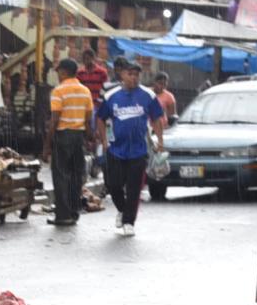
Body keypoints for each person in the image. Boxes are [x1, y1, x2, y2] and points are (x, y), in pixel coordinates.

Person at [94, 59, 166, 237]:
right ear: (122, 75)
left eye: (136, 75)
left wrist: (160, 141)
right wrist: (104, 141)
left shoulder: (147, 95)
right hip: (115, 149)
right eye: (130, 74)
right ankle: (122, 210)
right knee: (114, 184)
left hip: (138, 150)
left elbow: (157, 118)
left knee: (134, 188)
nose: (134, 78)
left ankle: (129, 221)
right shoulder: (112, 96)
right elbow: (100, 118)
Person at [45, 56, 94, 226]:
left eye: (59, 71)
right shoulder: (85, 91)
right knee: (75, 176)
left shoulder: (58, 91)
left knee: (60, 176)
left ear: (64, 72)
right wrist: (89, 139)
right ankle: (74, 212)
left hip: (63, 135)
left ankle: (63, 215)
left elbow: (54, 120)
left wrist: (46, 146)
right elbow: (88, 120)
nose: (58, 74)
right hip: (78, 137)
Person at [146, 72, 178, 201]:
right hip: (147, 130)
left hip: (161, 130)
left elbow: (172, 116)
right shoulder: (147, 94)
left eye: (165, 84)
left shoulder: (169, 97)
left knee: (158, 159)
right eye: (160, 83)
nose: (162, 86)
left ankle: (158, 185)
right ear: (154, 82)